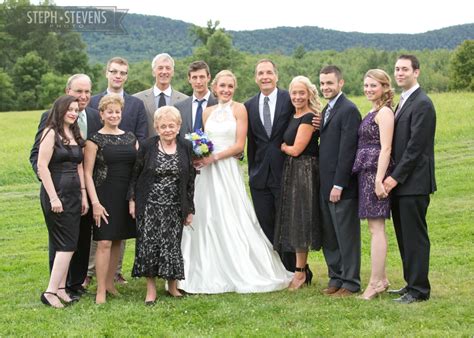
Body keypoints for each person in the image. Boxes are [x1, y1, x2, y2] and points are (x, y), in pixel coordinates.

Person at [178, 70, 293, 294]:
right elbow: (205, 140)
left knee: (232, 215)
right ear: (214, 88)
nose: (226, 90)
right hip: (207, 171)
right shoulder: (207, 112)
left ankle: (242, 267)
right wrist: (200, 154)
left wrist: (215, 157)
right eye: (222, 86)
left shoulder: (239, 109)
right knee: (206, 216)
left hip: (226, 168)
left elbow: (240, 146)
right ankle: (204, 268)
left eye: (230, 86)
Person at [30, 74, 101, 298]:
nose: (83, 97)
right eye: (78, 91)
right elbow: (38, 158)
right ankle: (56, 285)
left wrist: (85, 193)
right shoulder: (49, 121)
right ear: (67, 91)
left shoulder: (92, 117)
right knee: (62, 239)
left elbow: (84, 158)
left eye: (87, 92)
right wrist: (51, 186)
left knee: (81, 236)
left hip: (82, 188)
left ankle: (74, 283)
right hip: (58, 188)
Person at [85, 56, 147, 287]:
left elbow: (140, 137)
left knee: (119, 233)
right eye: (114, 71)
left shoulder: (136, 104)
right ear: (107, 73)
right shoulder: (92, 102)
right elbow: (90, 137)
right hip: (102, 175)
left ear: (126, 76)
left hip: (125, 172)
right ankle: (90, 272)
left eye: (122, 72)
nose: (118, 75)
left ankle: (115, 274)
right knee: (100, 232)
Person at [128, 106, 196, 305]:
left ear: (179, 126)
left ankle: (173, 287)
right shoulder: (147, 146)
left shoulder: (185, 146)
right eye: (163, 126)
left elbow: (190, 180)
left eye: (171, 125)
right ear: (156, 127)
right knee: (149, 245)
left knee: (172, 245)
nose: (167, 129)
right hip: (149, 204)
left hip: (175, 206)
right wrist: (132, 200)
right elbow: (136, 174)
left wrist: (189, 209)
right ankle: (151, 290)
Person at [384, 55, 436, 304]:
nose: (400, 73)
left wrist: (394, 178)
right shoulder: (403, 101)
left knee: (415, 237)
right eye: (397, 69)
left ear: (417, 72)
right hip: (402, 185)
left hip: (413, 183)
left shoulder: (423, 103)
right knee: (404, 236)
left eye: (405, 69)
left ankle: (419, 290)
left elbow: (416, 148)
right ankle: (410, 284)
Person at [83, 94, 138, 304]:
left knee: (118, 239)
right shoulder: (94, 140)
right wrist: (95, 203)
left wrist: (133, 197)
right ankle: (100, 291)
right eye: (110, 112)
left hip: (124, 195)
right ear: (102, 114)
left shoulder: (131, 137)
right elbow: (87, 173)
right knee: (104, 241)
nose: (114, 115)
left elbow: (136, 169)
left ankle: (110, 284)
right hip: (104, 194)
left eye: (117, 111)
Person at [244, 59, 296, 272]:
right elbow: (249, 140)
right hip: (259, 174)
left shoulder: (289, 99)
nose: (265, 76)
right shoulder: (248, 105)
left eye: (269, 72)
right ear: (256, 78)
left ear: (276, 75)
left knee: (287, 222)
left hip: (285, 170)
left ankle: (293, 268)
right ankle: (273, 268)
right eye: (260, 73)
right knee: (265, 222)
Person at [37, 95, 88, 308]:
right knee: (65, 245)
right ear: (60, 110)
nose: (74, 113)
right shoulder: (50, 133)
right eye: (70, 109)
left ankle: (60, 289)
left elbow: (79, 166)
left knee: (69, 245)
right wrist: (53, 197)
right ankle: (49, 292)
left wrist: (84, 195)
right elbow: (42, 166)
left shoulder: (75, 133)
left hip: (75, 194)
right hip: (57, 193)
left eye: (76, 110)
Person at [274, 76, 322, 291]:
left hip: (304, 172)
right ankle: (300, 270)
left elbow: (296, 149)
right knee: (294, 220)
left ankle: (301, 272)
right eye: (294, 93)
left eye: (301, 93)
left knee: (301, 221)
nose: (297, 97)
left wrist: (284, 147)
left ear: (309, 94)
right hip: (293, 172)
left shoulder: (309, 117)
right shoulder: (295, 115)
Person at [319, 65, 362, 297]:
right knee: (331, 236)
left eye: (330, 83)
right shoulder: (326, 109)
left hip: (341, 187)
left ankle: (351, 282)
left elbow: (348, 151)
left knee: (346, 236)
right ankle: (335, 277)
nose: (325, 87)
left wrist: (339, 184)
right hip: (324, 184)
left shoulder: (348, 110)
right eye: (323, 83)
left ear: (341, 83)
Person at [352, 69, 395, 300]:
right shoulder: (372, 110)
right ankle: (383, 278)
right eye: (366, 85)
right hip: (365, 173)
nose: (368, 89)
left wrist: (379, 180)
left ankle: (376, 282)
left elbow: (386, 147)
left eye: (373, 86)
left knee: (377, 229)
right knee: (373, 228)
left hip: (374, 175)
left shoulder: (385, 112)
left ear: (384, 87)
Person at [134, 53, 188, 137]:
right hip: (146, 149)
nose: (164, 71)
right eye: (160, 68)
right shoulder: (137, 99)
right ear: (153, 72)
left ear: (173, 72)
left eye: (168, 68)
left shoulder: (185, 100)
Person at [174, 60, 217, 135]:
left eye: (202, 77)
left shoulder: (219, 104)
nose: (198, 81)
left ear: (209, 77)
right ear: (189, 79)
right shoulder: (179, 108)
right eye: (194, 77)